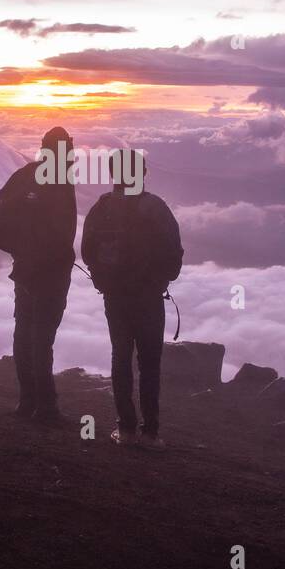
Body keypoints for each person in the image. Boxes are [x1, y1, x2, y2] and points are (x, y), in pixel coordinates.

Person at [81, 150, 182, 450]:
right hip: (149, 298)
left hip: (114, 297)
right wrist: (160, 280)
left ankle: (125, 430)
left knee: (120, 357)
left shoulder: (102, 208)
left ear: (114, 174)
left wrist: (104, 277)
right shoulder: (155, 208)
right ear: (141, 174)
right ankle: (150, 433)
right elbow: (173, 254)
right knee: (150, 363)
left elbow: (87, 251)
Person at [0, 127, 77, 424]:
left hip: (24, 269)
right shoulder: (60, 181)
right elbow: (63, 232)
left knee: (23, 331)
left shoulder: (24, 175)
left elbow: (3, 218)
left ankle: (26, 401)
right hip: (50, 273)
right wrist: (63, 257)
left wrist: (21, 251)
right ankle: (47, 407)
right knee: (42, 337)